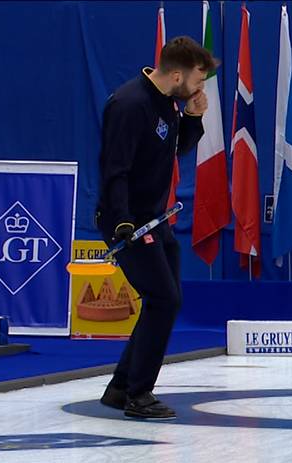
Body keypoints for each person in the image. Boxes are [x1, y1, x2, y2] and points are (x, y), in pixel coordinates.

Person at [95, 36, 216, 420]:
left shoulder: (168, 102)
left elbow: (172, 149)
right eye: (198, 81)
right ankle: (138, 394)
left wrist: (193, 118)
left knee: (165, 299)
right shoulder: (129, 105)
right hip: (128, 222)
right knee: (164, 300)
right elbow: (115, 169)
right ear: (177, 74)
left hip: (156, 219)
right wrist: (122, 222)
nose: (199, 88)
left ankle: (120, 388)